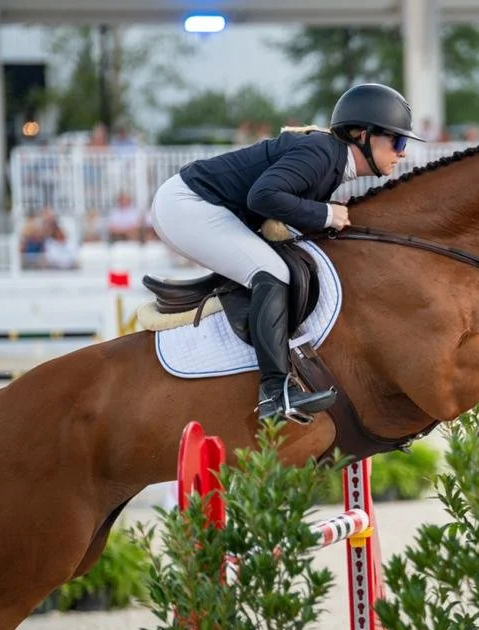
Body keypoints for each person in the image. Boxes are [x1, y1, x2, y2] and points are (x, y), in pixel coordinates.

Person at [150, 83, 422, 423]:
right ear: (361, 134)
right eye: (398, 141)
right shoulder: (322, 153)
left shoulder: (331, 159)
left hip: (202, 205)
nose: (402, 152)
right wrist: (325, 214)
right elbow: (262, 197)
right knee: (272, 273)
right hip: (188, 206)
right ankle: (275, 392)